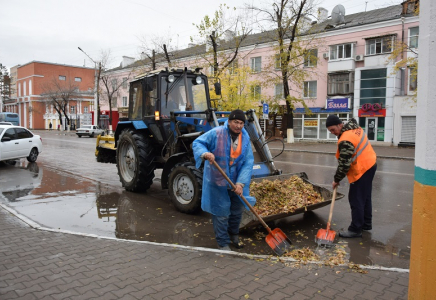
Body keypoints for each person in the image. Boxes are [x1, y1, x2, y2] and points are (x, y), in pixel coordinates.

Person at [193, 109, 255, 250]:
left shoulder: (245, 139)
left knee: (236, 211)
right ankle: (223, 242)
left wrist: (240, 183)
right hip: (218, 180)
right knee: (221, 213)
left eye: (241, 123)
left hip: (236, 182)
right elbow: (198, 143)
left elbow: (248, 163)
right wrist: (205, 153)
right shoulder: (217, 133)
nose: (238, 126)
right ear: (229, 122)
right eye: (235, 122)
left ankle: (234, 236)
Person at [326, 115, 377, 238]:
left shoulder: (346, 139)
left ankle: (355, 229)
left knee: (356, 199)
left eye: (333, 129)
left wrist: (336, 180)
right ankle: (366, 223)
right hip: (370, 164)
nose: (333, 133)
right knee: (365, 197)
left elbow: (344, 164)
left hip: (362, 169)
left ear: (340, 125)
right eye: (330, 131)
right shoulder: (355, 128)